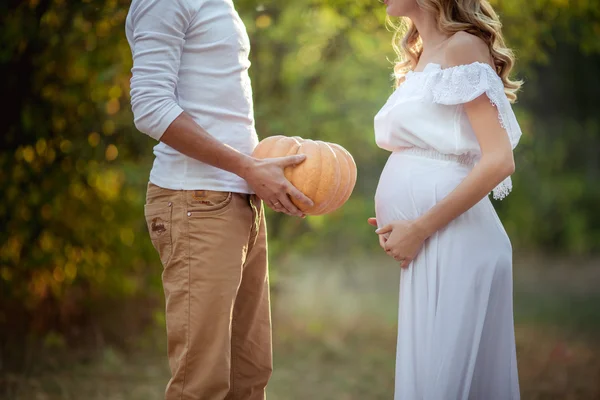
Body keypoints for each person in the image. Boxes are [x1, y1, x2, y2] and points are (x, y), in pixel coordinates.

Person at [125, 0, 312, 399]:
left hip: (239, 199)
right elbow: (149, 107)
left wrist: (262, 168)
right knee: (202, 383)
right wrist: (247, 167)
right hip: (196, 201)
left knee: (249, 374)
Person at [369, 0, 522, 398]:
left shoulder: (463, 47)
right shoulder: (421, 57)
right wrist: (399, 220)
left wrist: (418, 226)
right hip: (431, 243)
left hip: (457, 242)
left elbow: (499, 160)